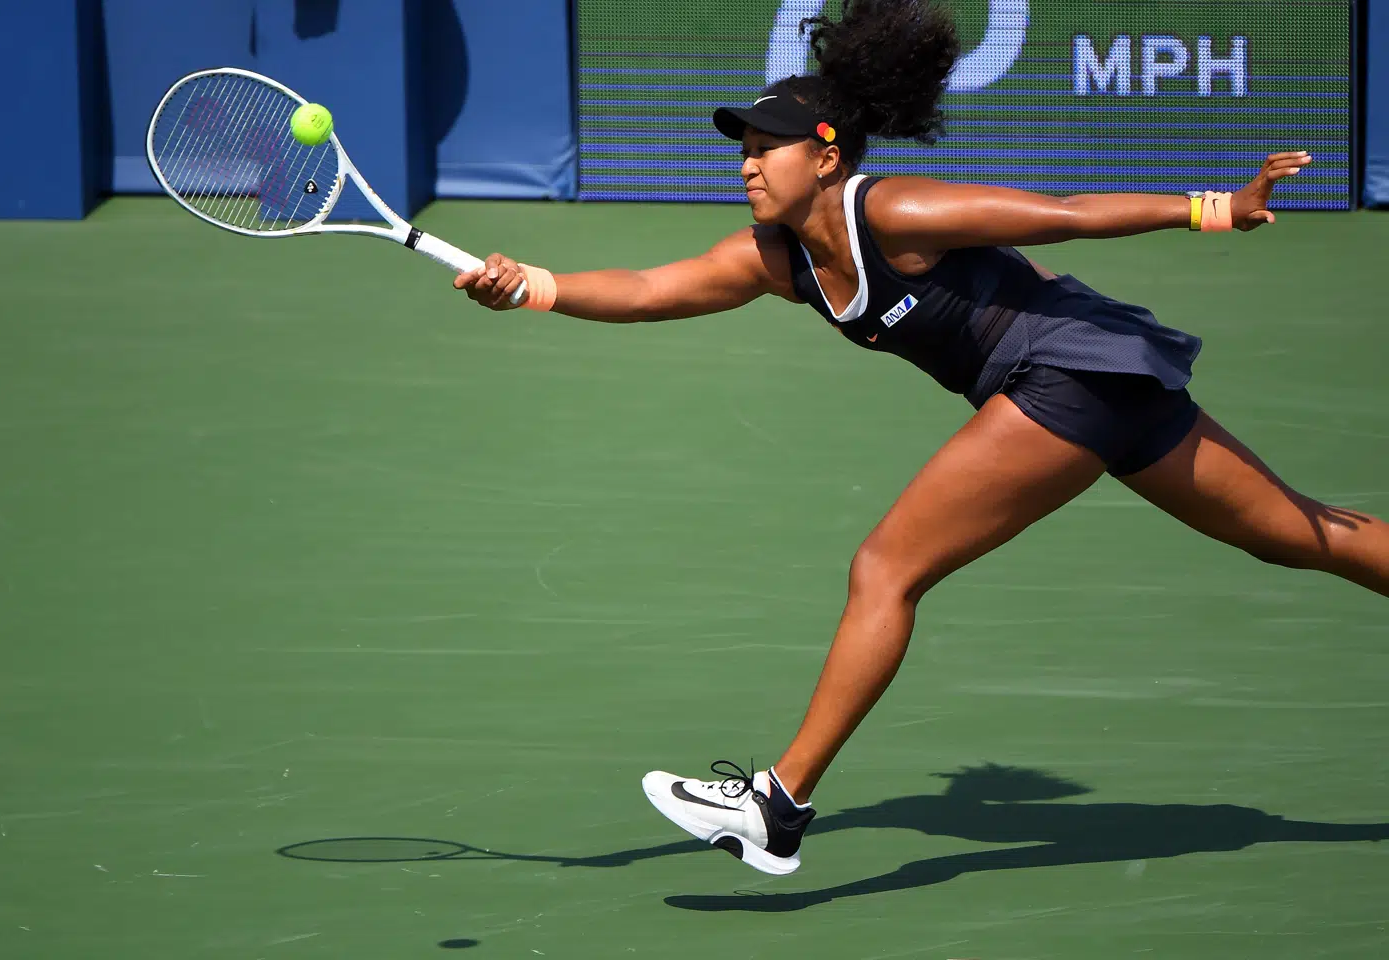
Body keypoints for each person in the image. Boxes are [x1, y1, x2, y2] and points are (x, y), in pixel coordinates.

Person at [453, 0, 1389, 876]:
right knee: (1298, 534)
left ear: (824, 157)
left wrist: (1215, 207)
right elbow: (653, 292)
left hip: (1064, 372)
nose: (746, 159)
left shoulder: (891, 211)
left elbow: (1059, 216)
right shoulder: (774, 258)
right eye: (742, 144)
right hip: (1104, 376)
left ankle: (777, 809)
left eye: (766, 144)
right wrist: (533, 284)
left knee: (886, 569)